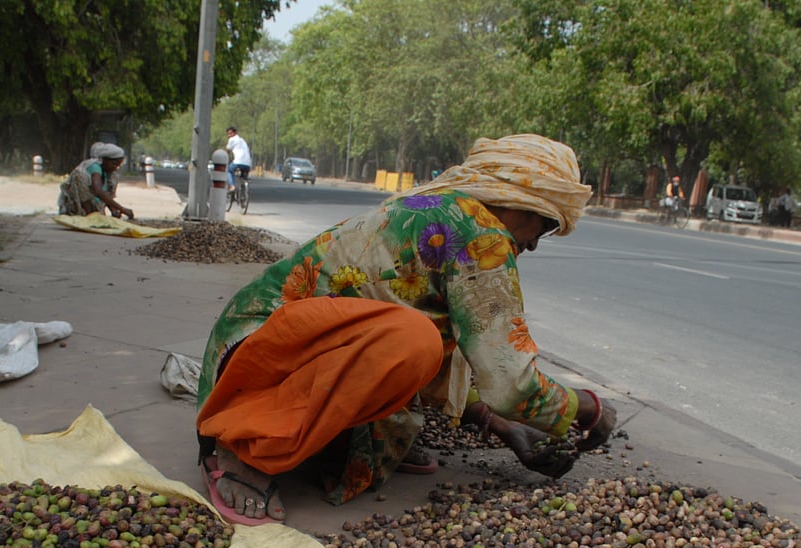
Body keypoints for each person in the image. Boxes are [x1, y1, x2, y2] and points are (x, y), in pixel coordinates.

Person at [194, 133, 618, 526]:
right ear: (519, 201)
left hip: (254, 344)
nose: (535, 244)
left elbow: (445, 350)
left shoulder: (446, 208)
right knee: (412, 340)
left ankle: (337, 439)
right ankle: (243, 449)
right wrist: (587, 409)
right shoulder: (481, 235)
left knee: (423, 339)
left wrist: (500, 425)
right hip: (256, 360)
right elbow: (508, 380)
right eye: (544, 226)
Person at [57, 142, 134, 219]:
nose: (115, 167)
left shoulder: (109, 175)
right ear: (104, 160)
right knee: (79, 176)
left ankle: (96, 215)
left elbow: (107, 196)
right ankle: (88, 214)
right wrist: (122, 209)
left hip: (97, 210)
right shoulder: (95, 167)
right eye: (114, 164)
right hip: (79, 210)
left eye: (118, 165)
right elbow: (98, 191)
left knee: (114, 178)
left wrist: (114, 210)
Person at [225, 126, 252, 193]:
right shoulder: (243, 140)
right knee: (243, 177)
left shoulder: (232, 139)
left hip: (238, 162)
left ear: (235, 133)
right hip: (248, 164)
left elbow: (227, 151)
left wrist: (225, 159)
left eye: (230, 133)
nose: (229, 135)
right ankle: (243, 191)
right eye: (228, 134)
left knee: (229, 170)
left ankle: (232, 186)